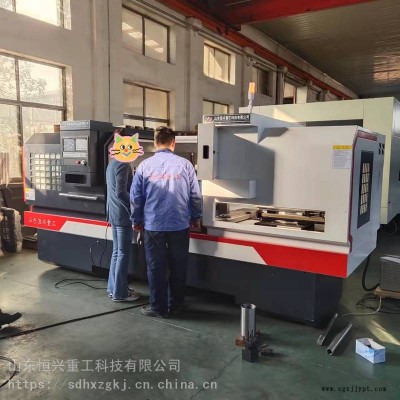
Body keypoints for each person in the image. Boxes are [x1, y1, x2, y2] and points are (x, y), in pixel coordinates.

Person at [130, 126, 202, 318]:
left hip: (153, 225)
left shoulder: (144, 166)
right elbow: (195, 195)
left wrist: (136, 220)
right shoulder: (185, 165)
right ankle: (176, 305)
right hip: (179, 224)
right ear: (173, 143)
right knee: (179, 265)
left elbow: (136, 197)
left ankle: (158, 307)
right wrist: (195, 217)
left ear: (155, 143)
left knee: (156, 267)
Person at [106, 128, 141, 302]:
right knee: (122, 254)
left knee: (116, 252)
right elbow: (120, 192)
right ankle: (120, 293)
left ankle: (114, 288)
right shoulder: (122, 164)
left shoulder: (112, 163)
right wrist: (135, 203)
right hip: (122, 215)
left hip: (113, 213)